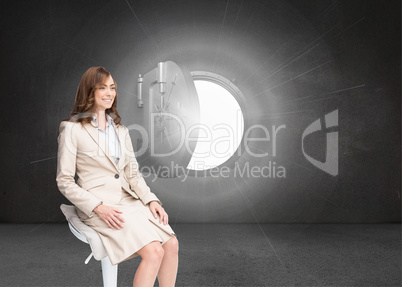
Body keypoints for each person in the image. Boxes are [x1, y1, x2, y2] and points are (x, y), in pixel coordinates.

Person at [56, 66, 178, 287]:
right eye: (102, 88)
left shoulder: (121, 130)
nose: (109, 93)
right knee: (153, 252)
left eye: (112, 88)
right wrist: (98, 207)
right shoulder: (72, 129)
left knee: (171, 244)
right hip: (99, 206)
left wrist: (150, 199)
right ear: (89, 92)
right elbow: (64, 181)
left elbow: (132, 172)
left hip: (128, 201)